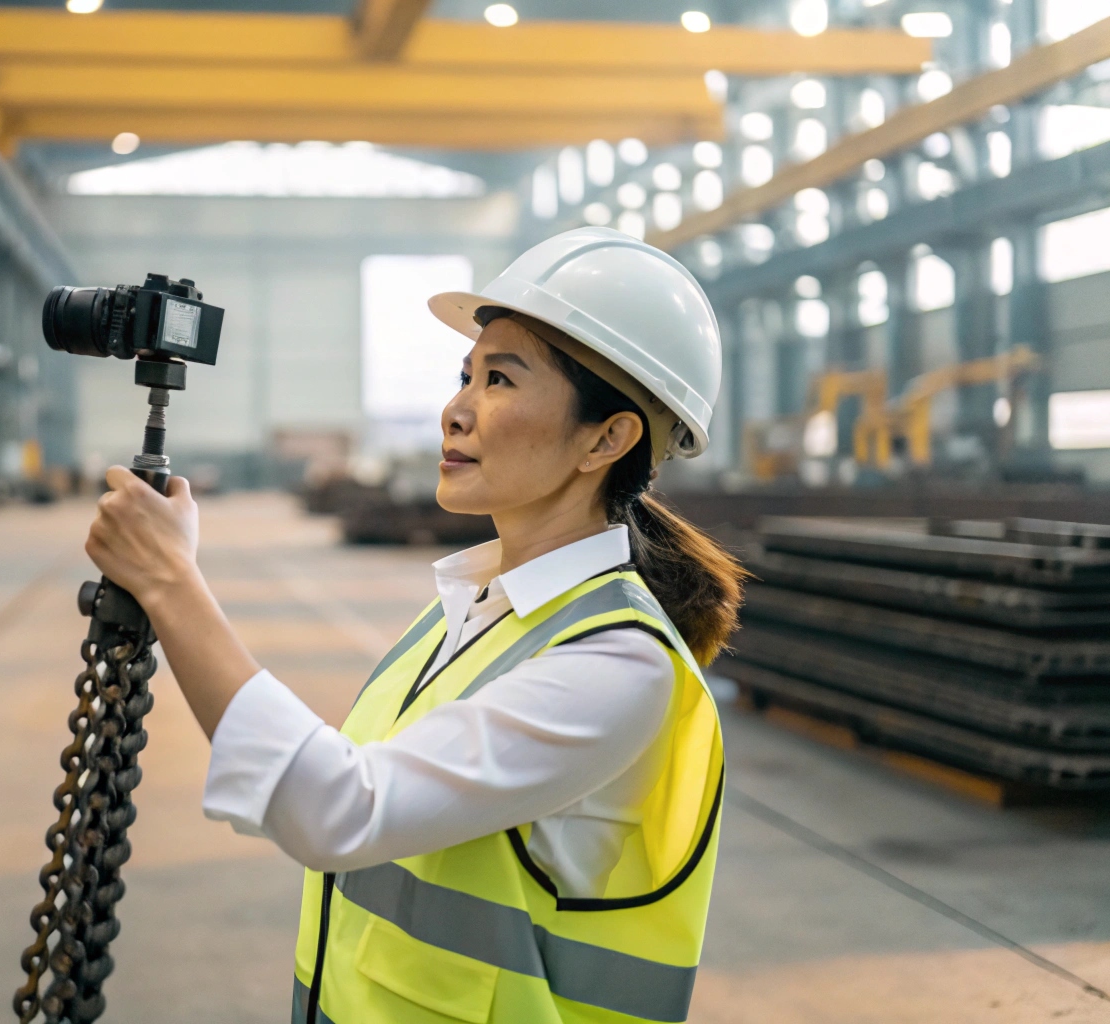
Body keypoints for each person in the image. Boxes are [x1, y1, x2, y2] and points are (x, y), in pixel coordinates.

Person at [85, 227, 746, 1024]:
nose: (455, 411)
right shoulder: (474, 610)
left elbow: (339, 808)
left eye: (499, 380)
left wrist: (171, 582)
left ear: (607, 438)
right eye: (465, 375)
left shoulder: (618, 667)